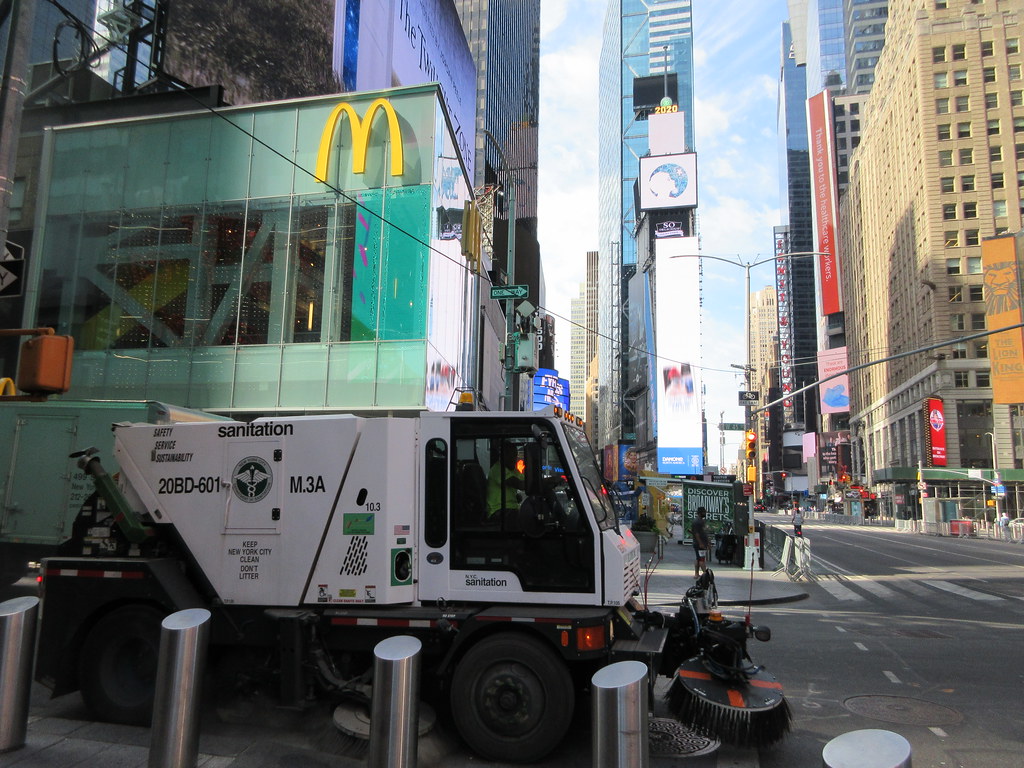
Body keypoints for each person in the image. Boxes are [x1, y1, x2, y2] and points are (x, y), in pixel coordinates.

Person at [486, 449, 524, 518]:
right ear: (504, 456)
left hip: (511, 508)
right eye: (511, 456)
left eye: (515, 455)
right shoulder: (498, 469)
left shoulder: (512, 469)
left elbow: (525, 480)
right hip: (498, 510)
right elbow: (519, 484)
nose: (514, 459)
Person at [691, 507, 710, 578]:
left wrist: (707, 542)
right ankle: (706, 574)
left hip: (700, 542)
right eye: (704, 512)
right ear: (700, 513)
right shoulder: (697, 522)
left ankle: (696, 573)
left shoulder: (700, 521)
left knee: (698, 558)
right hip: (699, 543)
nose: (705, 513)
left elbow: (702, 532)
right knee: (702, 559)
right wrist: (701, 543)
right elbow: (697, 534)